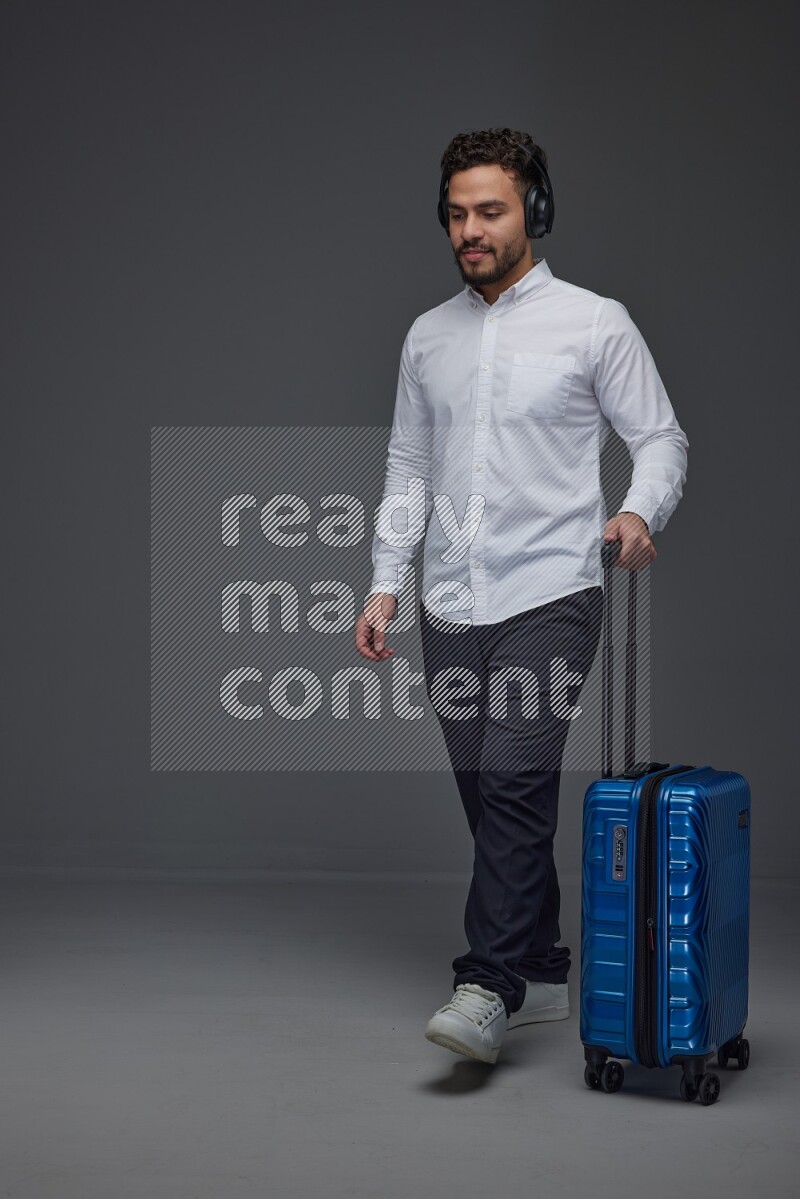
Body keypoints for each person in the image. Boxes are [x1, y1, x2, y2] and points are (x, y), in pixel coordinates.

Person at [354, 127, 688, 1065]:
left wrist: (635, 509)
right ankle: (541, 966)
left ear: (533, 211)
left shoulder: (594, 321)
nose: (472, 229)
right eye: (457, 213)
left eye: (491, 210)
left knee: (513, 779)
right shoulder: (428, 336)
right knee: (487, 789)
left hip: (552, 589)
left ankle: (486, 985)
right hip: (449, 601)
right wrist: (384, 586)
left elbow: (661, 438)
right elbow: (407, 466)